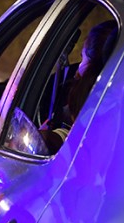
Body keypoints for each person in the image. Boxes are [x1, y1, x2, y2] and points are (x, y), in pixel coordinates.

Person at [40, 20, 117, 153]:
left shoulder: (97, 107)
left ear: (93, 65)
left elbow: (77, 148)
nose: (77, 70)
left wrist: (44, 138)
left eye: (83, 58)